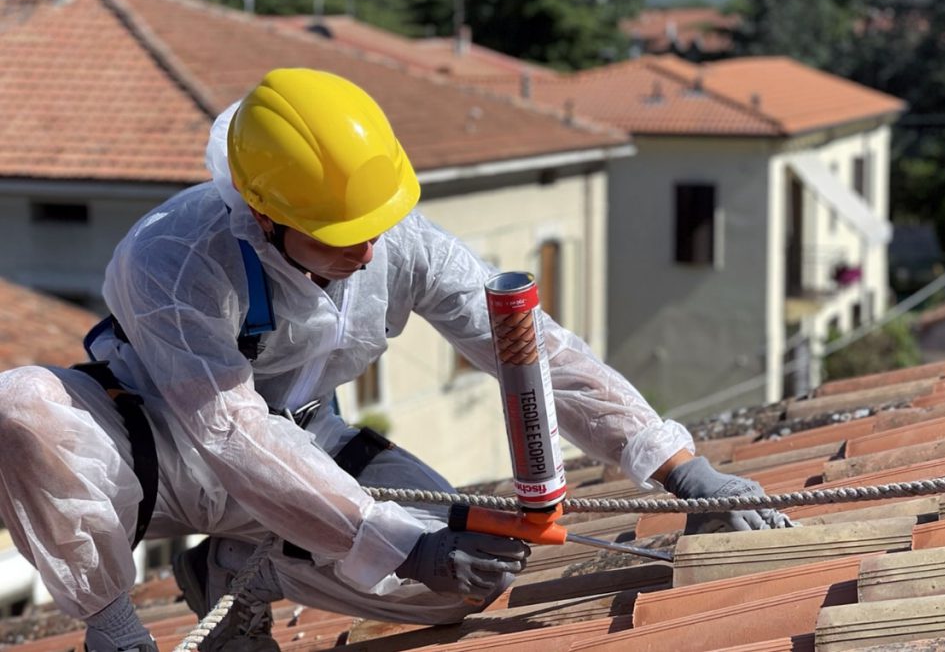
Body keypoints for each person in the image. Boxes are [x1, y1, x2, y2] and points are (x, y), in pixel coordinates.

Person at [0, 68, 791, 652]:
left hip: (313, 446)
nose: (368, 248)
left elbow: (532, 349)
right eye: (340, 234)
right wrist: (396, 539)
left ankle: (242, 570)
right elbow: (230, 433)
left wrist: (677, 465)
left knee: (471, 576)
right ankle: (113, 628)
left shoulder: (394, 242)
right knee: (22, 409)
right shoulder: (174, 257)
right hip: (158, 451)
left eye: (376, 225)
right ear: (265, 215)